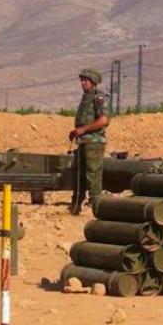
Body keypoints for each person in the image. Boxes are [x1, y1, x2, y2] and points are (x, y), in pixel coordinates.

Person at [69, 68, 109, 215]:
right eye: (82, 80)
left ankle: (96, 206)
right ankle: (76, 203)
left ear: (93, 82)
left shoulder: (98, 97)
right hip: (83, 141)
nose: (83, 83)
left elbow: (103, 120)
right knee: (79, 174)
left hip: (94, 141)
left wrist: (83, 130)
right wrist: (77, 132)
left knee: (93, 175)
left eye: (86, 80)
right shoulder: (86, 97)